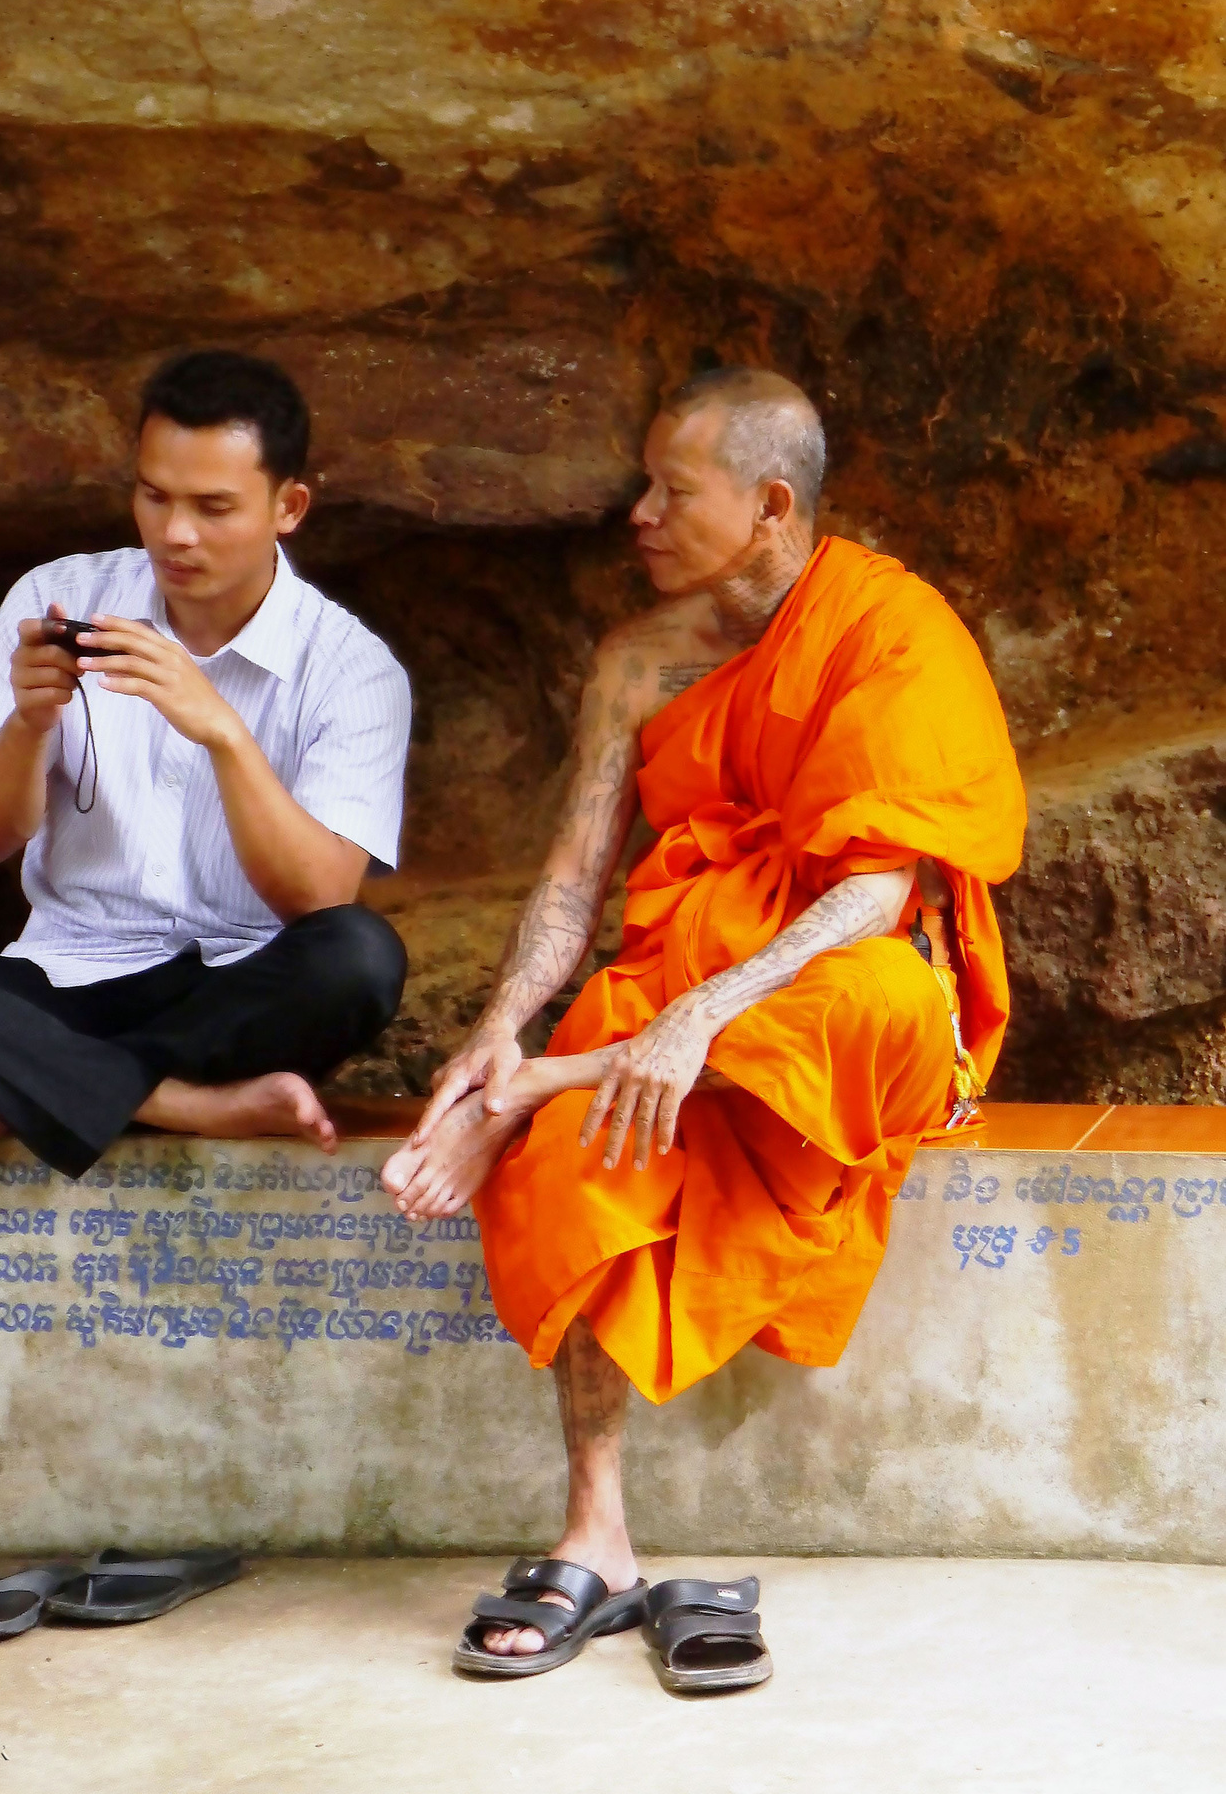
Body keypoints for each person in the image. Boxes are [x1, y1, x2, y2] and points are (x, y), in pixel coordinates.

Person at [382, 367, 1026, 1679]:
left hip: (829, 990)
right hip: (670, 1003)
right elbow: (574, 877)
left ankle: (558, 1080)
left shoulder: (890, 630)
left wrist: (696, 1019)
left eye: (671, 491)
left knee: (876, 1004)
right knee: (568, 1165)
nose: (638, 515)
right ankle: (595, 1531)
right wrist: (501, 1026)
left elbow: (877, 893)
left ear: (771, 505)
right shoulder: (638, 660)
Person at [0, 350, 411, 1179]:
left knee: (359, 959)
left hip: (229, 992)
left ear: (289, 507)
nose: (175, 533)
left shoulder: (353, 668)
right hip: (66, 983)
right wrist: (29, 723)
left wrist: (223, 732)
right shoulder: (53, 598)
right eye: (154, 496)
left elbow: (319, 899)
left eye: (213, 507)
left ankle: (37, 1090)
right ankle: (180, 1104)